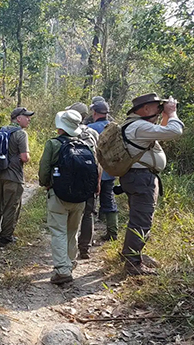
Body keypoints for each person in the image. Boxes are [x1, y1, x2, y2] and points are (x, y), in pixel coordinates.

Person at [120, 93, 183, 275]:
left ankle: (133, 255)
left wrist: (164, 117)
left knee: (138, 218)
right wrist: (172, 113)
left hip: (137, 177)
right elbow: (174, 131)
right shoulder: (139, 126)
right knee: (141, 221)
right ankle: (133, 263)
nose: (159, 109)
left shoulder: (135, 125)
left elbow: (161, 132)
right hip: (141, 178)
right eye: (157, 106)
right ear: (146, 108)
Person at [39, 109, 91, 284]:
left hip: (58, 195)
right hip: (81, 197)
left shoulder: (53, 144)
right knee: (72, 231)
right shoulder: (85, 145)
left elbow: (44, 169)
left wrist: (46, 183)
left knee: (58, 231)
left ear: (60, 127)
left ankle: (62, 270)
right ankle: (70, 262)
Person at [0, 106, 33, 247]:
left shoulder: (1, 130)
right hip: (14, 175)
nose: (29, 119)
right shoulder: (21, 134)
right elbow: (24, 157)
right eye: (27, 117)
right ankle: (6, 237)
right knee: (11, 206)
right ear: (18, 119)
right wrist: (26, 157)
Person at [66, 102, 99, 259]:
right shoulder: (92, 134)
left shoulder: (66, 131)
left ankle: (68, 249)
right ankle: (85, 248)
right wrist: (98, 181)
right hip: (89, 178)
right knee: (88, 213)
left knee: (69, 212)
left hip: (70, 179)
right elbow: (99, 160)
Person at [87, 101, 119, 241]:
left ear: (94, 113)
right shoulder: (115, 128)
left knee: (89, 204)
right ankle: (113, 232)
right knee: (109, 199)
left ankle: (87, 236)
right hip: (110, 170)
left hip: (93, 171)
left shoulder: (88, 128)